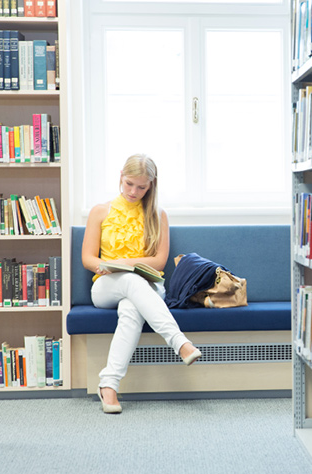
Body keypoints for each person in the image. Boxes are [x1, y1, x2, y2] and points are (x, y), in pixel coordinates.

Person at [81, 154, 201, 414]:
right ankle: (180, 343)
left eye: (141, 187)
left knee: (131, 309)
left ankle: (109, 385)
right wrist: (111, 266)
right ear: (120, 178)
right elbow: (88, 258)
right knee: (130, 281)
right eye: (129, 184)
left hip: (148, 286)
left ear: (151, 186)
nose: (133, 192)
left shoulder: (158, 215)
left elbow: (158, 262)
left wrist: (125, 261)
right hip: (105, 285)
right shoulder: (100, 211)